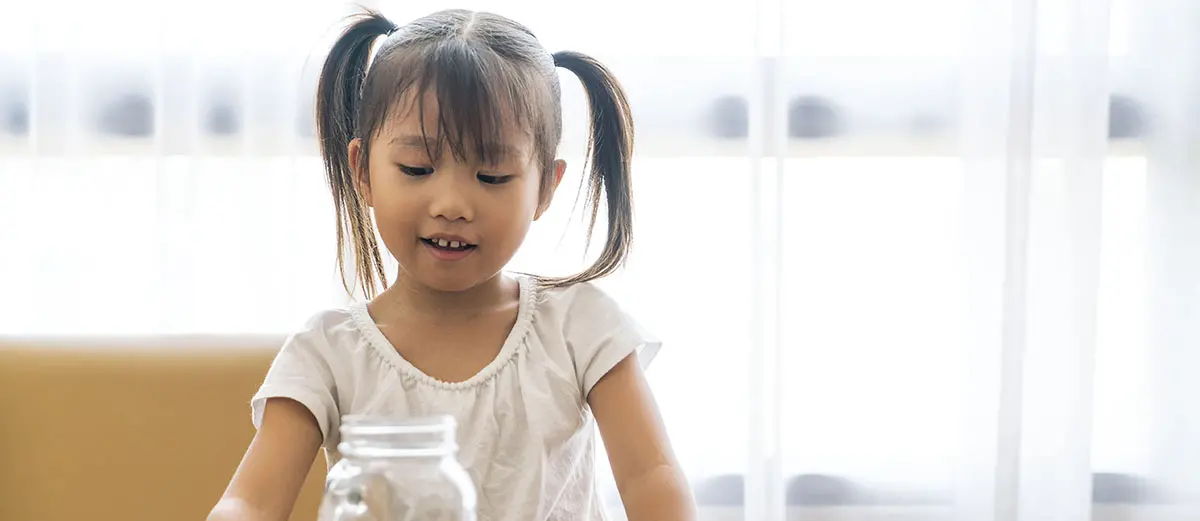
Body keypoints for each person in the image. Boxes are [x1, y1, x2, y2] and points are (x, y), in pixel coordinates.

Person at [207, 8, 695, 521]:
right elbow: (250, 502)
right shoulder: (328, 353)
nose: (452, 204)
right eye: (417, 169)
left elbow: (653, 481)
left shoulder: (582, 327)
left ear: (545, 188)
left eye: (492, 176)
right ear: (363, 172)